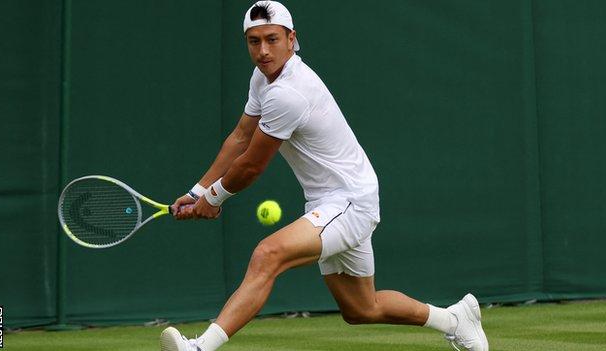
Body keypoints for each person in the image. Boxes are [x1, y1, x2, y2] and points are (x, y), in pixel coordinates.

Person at [160, 1, 488, 351]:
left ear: (291, 39)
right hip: (336, 199)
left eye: (272, 39)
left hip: (349, 200)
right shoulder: (263, 78)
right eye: (254, 41)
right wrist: (199, 190)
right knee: (362, 308)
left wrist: (214, 199)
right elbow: (240, 136)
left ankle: (200, 347)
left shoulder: (288, 93)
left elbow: (251, 165)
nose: (263, 50)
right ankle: (456, 320)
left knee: (267, 255)